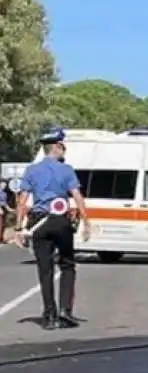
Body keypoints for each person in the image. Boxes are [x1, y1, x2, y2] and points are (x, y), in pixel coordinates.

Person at [14, 127, 91, 330]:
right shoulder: (66, 170)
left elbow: (22, 201)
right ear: (56, 147)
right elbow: (76, 196)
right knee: (67, 265)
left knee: (45, 269)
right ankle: (66, 310)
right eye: (62, 146)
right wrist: (87, 222)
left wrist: (18, 227)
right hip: (60, 220)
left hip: (39, 222)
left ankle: (50, 315)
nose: (63, 149)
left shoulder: (32, 170)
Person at [0, 179, 10, 243]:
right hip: (0, 210)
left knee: (3, 225)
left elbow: (5, 203)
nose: (4, 185)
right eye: (3, 184)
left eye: (5, 185)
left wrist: (9, 208)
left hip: (3, 209)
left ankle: (1, 238)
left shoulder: (4, 193)